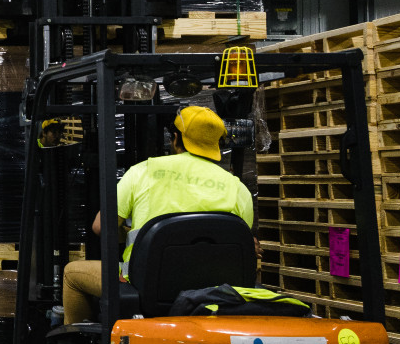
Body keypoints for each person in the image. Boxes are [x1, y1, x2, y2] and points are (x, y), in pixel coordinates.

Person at [62, 104, 255, 325]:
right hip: (215, 294)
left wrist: (130, 235)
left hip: (145, 286)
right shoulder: (237, 188)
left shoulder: (142, 171)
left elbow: (100, 227)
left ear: (175, 138)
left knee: (72, 273)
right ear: (217, 143)